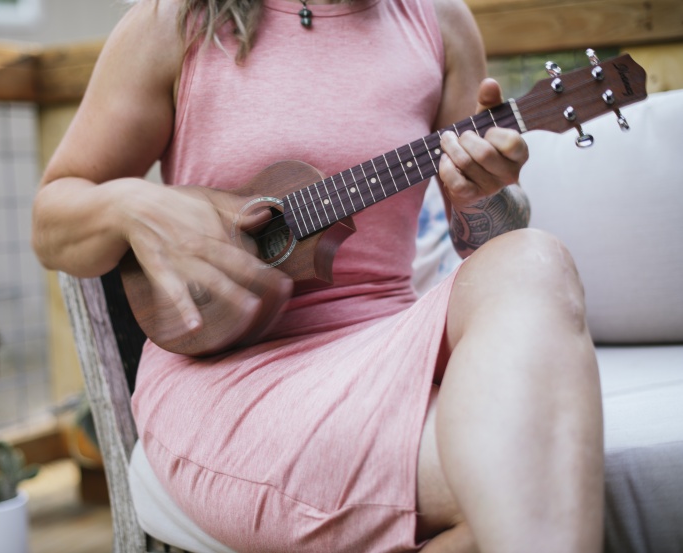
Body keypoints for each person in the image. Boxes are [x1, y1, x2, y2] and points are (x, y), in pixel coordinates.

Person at [32, 0, 605, 550]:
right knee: (529, 480)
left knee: (535, 257)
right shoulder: (176, 21)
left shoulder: (439, 21)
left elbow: (491, 237)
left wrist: (487, 198)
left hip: (391, 343)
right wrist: (133, 205)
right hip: (231, 375)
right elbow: (51, 220)